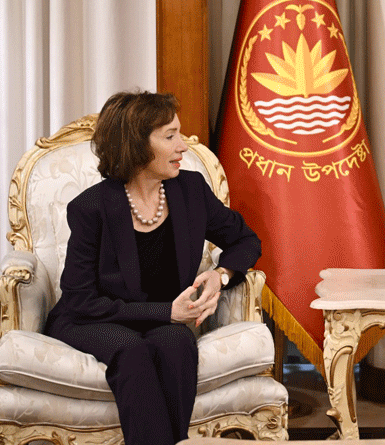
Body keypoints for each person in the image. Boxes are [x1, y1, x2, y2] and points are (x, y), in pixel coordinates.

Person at [44, 91, 262, 445]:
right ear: (136, 145)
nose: (184, 146)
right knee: (133, 353)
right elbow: (81, 299)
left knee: (177, 345)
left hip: (165, 320)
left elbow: (246, 240)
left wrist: (220, 275)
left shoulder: (190, 191)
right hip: (93, 319)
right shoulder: (91, 208)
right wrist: (167, 310)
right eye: (170, 136)